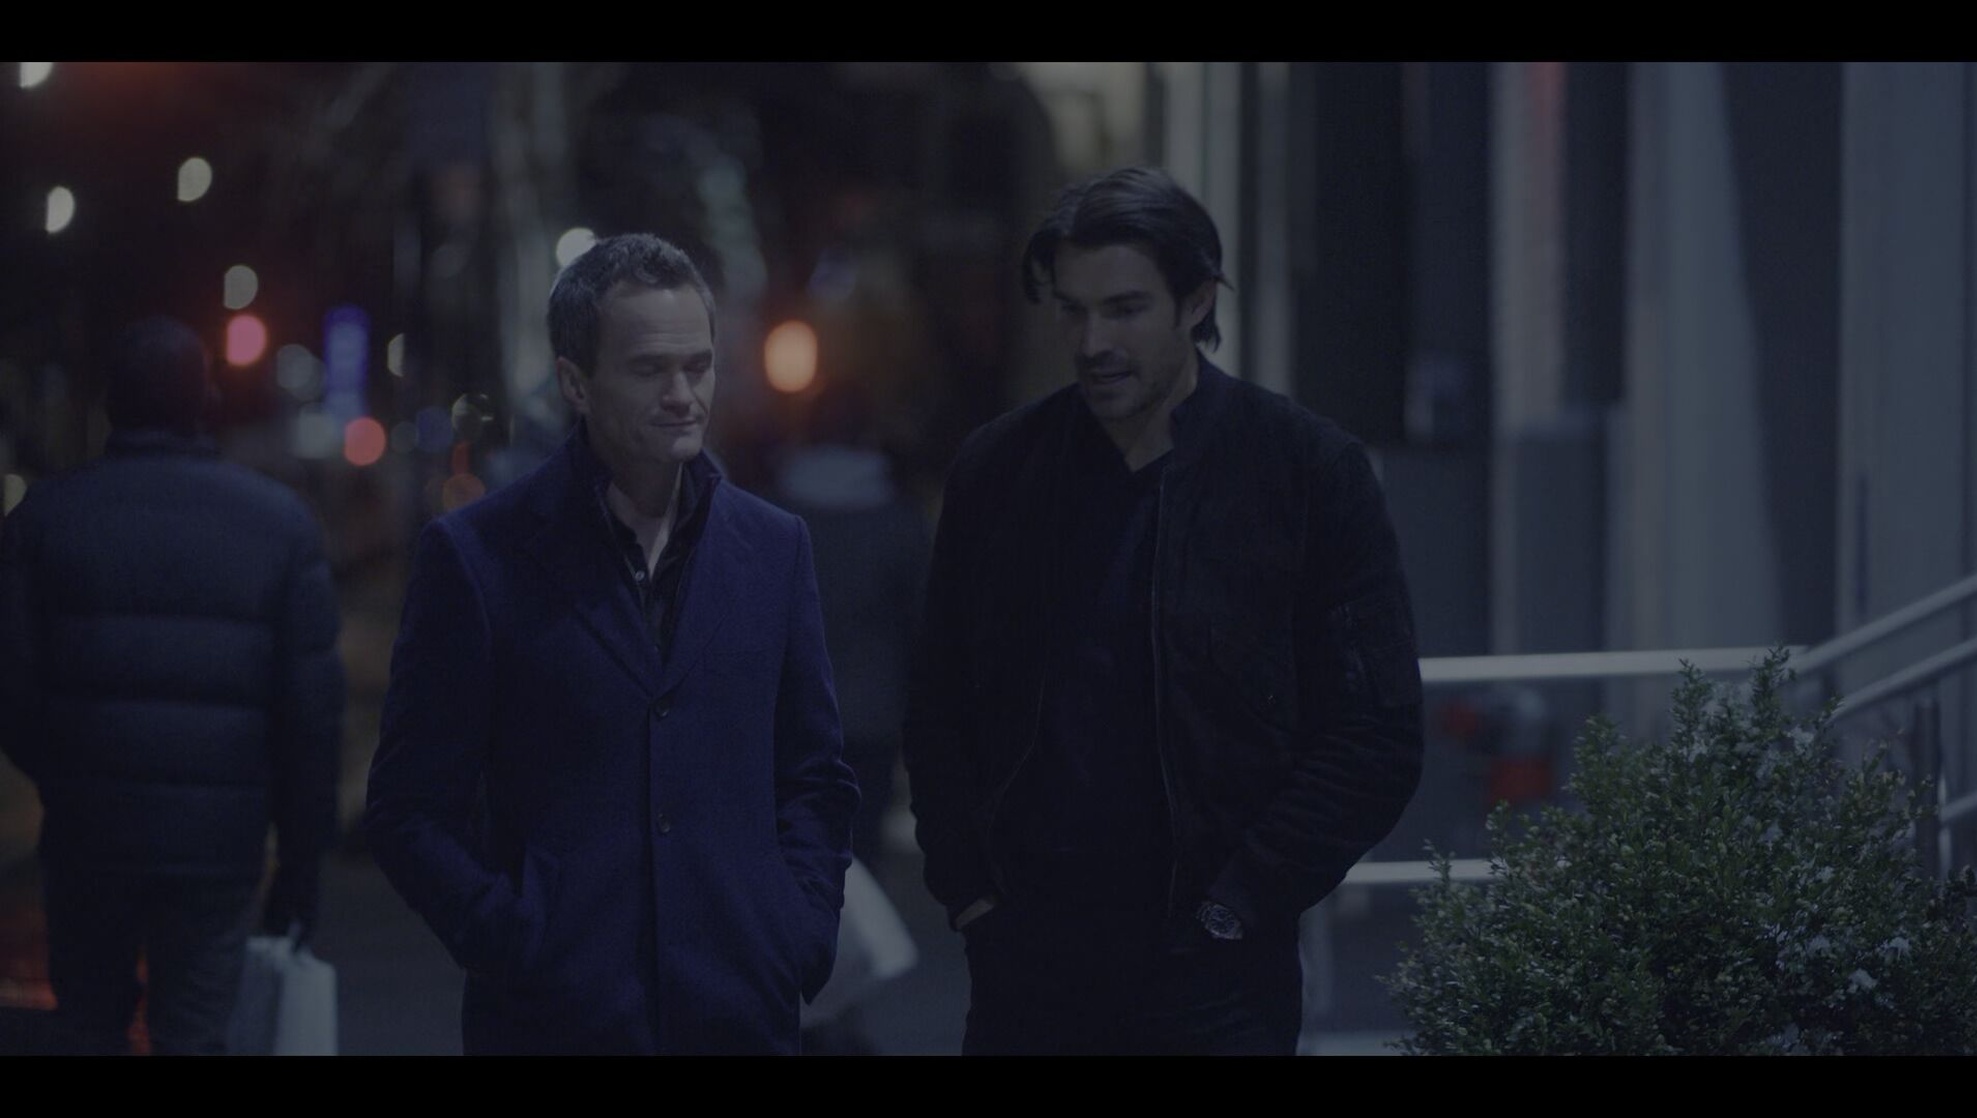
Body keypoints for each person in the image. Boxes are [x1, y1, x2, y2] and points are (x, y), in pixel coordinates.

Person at [901, 165, 1426, 1056]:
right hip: (1029, 969)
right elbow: (940, 702)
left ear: (1196, 302)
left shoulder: (1304, 472)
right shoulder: (1000, 471)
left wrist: (1241, 904)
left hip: (1215, 978)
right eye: (1071, 310)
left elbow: (1374, 732)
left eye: (1125, 310)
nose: (1093, 341)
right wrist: (973, 895)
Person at [363, 232, 859, 1055]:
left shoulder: (774, 549)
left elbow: (813, 775)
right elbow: (408, 808)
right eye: (649, 369)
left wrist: (796, 933)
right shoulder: (480, 557)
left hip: (739, 1015)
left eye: (697, 366)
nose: (682, 395)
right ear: (575, 382)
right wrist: (513, 941)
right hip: (555, 1024)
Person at [0, 315, 344, 1055]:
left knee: (87, 1029)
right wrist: (301, 863)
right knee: (193, 1033)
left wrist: (67, 773)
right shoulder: (280, 525)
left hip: (89, 838)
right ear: (206, 401)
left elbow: (12, 688)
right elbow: (310, 716)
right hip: (217, 851)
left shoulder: (44, 522)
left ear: (110, 403)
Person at [770, 377, 931, 1054]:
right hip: (867, 718)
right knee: (854, 865)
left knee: (790, 862)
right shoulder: (894, 520)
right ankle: (838, 1003)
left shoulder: (774, 512)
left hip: (784, 723)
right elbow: (921, 625)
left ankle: (799, 1001)